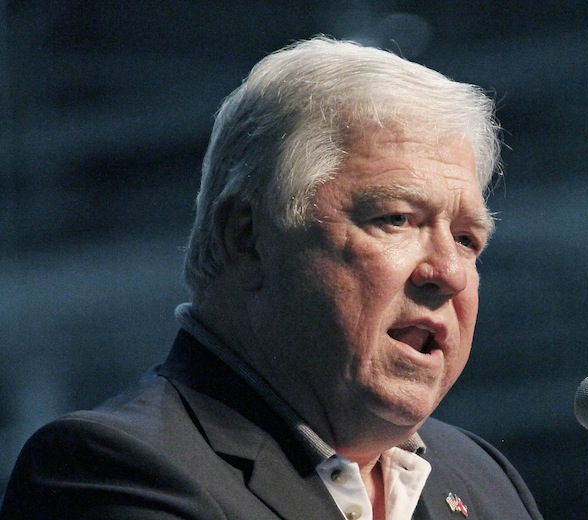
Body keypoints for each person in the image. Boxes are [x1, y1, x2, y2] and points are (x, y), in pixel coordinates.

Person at [0, 36, 543, 520]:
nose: (448, 272)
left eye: (469, 239)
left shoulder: (484, 482)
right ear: (247, 238)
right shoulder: (109, 472)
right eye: (396, 219)